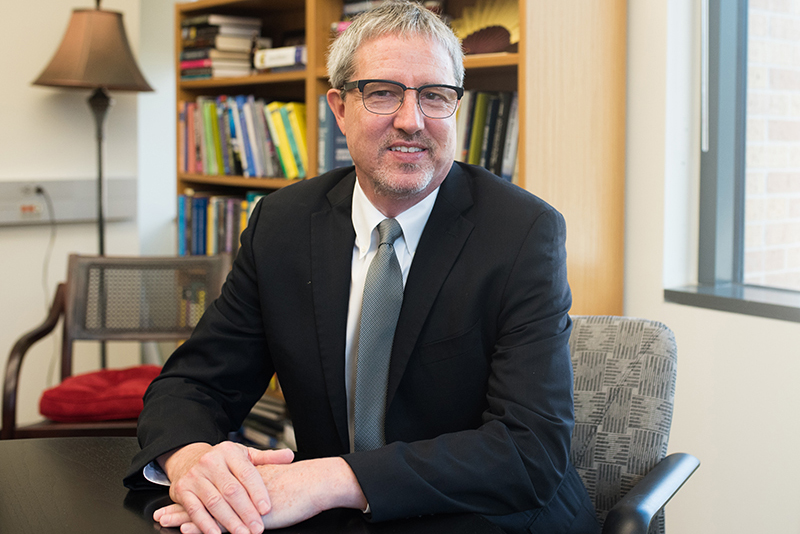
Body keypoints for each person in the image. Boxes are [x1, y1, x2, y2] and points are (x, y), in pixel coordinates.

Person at [124, 2, 599, 533]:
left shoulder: (522, 233)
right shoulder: (282, 224)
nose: (411, 121)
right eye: (383, 93)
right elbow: (193, 383)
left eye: (435, 96)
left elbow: (529, 451)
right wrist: (194, 463)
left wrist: (330, 478)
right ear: (339, 108)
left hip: (487, 518)